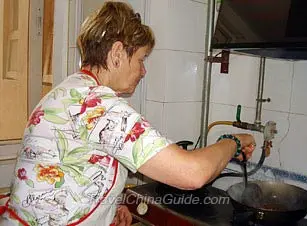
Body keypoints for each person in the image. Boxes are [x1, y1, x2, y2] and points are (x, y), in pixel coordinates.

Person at [0, 1, 256, 226]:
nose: (143, 71)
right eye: (142, 59)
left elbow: (74, 169)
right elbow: (192, 174)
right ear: (117, 54)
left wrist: (107, 208)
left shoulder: (68, 91)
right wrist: (232, 142)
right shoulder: (98, 107)